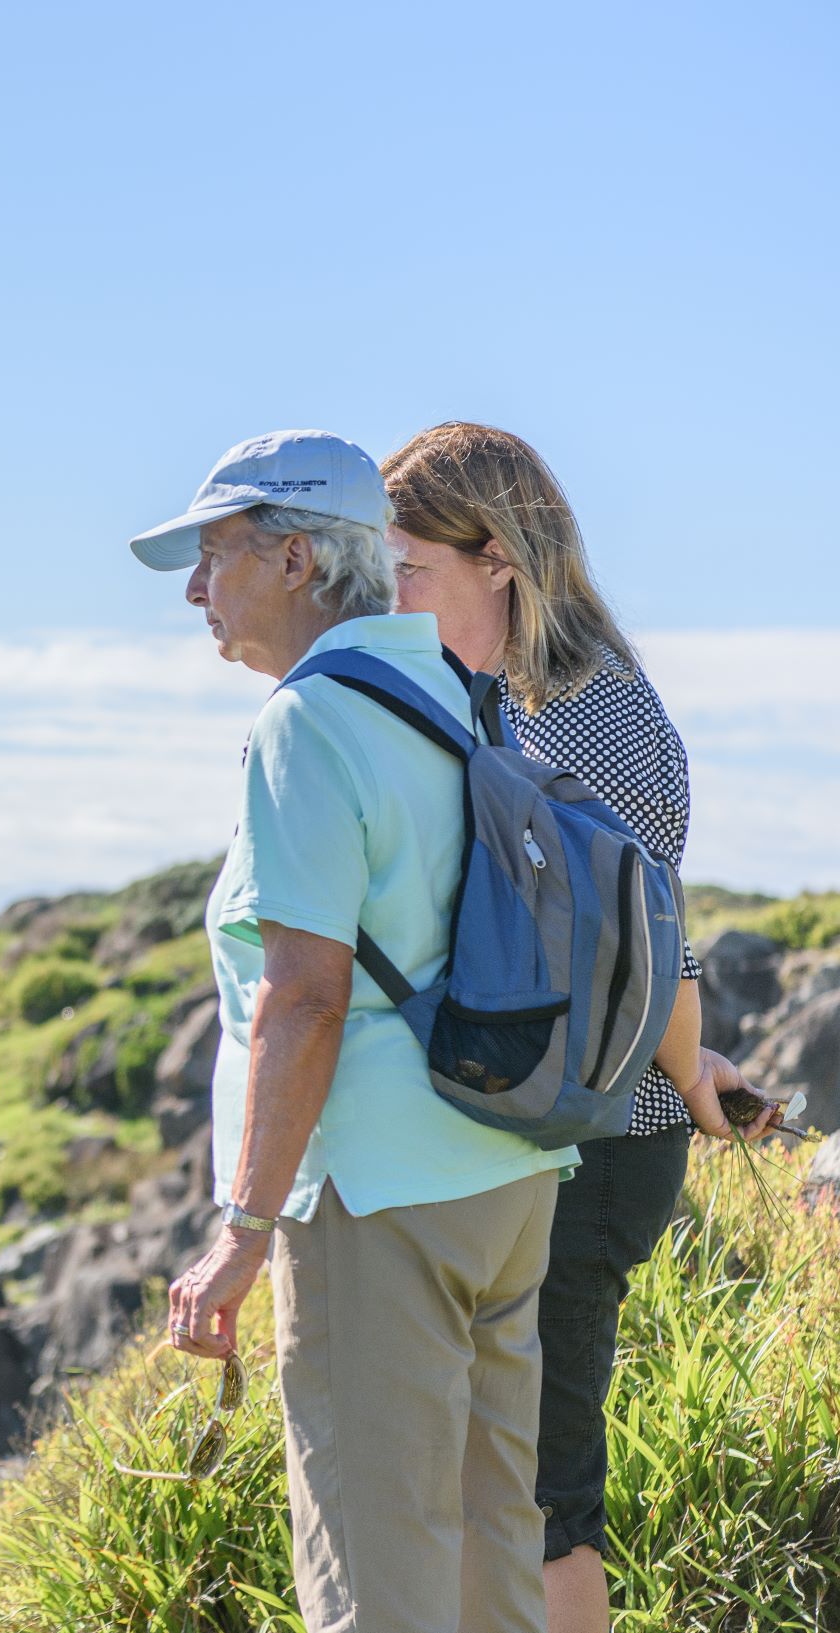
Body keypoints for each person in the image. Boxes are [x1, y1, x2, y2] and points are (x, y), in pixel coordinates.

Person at [139, 431, 577, 1632]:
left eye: (212, 555)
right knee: (494, 1557)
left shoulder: (311, 721)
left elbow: (306, 996)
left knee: (377, 1576)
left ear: (294, 560)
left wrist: (242, 1229)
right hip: (506, 1169)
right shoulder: (456, 690)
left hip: (375, 1197)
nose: (193, 590)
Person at [380, 422, 781, 1632]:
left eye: (413, 570)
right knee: (494, 1482)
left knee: (545, 1494)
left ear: (496, 555)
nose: (392, 598)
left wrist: (689, 1076)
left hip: (601, 1145)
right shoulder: (521, 696)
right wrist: (693, 1060)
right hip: (586, 1117)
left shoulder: (584, 710)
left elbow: (640, 942)